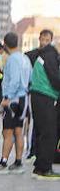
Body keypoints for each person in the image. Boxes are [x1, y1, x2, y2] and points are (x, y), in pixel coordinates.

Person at [0, 32, 30, 173]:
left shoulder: (12, 60)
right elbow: (29, 79)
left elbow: (14, 81)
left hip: (13, 100)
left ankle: (3, 163)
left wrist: (7, 99)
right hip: (24, 98)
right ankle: (18, 162)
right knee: (19, 131)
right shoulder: (25, 59)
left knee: (7, 132)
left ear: (5, 44)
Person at [28, 28, 60, 180]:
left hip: (36, 95)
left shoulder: (40, 54)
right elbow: (54, 78)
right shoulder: (51, 55)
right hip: (46, 96)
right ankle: (44, 169)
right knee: (49, 133)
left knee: (41, 131)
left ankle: (39, 166)